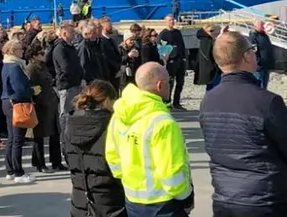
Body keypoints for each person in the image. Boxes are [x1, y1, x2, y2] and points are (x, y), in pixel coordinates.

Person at [200, 30, 287, 217]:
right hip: (265, 200)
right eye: (252, 49)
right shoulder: (268, 101)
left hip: (225, 198)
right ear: (247, 56)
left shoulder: (208, 101)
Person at [106, 63, 193, 216]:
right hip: (163, 203)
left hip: (132, 199)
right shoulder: (163, 122)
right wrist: (185, 197)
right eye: (169, 81)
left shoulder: (120, 114)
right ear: (160, 85)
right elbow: (172, 172)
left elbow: (112, 156)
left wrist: (129, 181)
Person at [65, 80, 125, 217]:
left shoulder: (69, 124)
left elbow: (69, 159)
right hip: (110, 200)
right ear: (108, 101)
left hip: (80, 200)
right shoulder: (112, 125)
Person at [25, 41, 63, 173]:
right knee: (39, 135)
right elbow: (30, 86)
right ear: (34, 56)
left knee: (55, 134)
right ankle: (40, 163)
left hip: (50, 102)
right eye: (41, 53)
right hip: (40, 104)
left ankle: (56, 162)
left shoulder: (43, 66)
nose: (44, 55)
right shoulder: (32, 68)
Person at [1, 39, 34, 183]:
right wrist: (32, 91)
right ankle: (18, 172)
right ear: (13, 51)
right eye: (20, 48)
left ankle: (10, 170)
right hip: (16, 103)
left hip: (8, 102)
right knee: (17, 139)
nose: (23, 51)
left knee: (12, 138)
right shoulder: (14, 66)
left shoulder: (7, 64)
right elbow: (19, 88)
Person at [52, 22, 84, 137]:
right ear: (64, 33)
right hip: (66, 85)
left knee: (74, 111)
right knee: (65, 113)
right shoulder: (60, 48)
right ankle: (63, 138)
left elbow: (77, 64)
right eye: (72, 32)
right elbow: (66, 67)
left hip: (74, 84)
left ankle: (71, 134)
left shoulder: (70, 47)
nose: (74, 35)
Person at [159, 15, 188, 110]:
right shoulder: (163, 34)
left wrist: (184, 57)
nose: (172, 21)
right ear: (166, 22)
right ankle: (168, 102)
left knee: (180, 82)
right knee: (170, 82)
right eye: (170, 20)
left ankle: (177, 102)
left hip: (180, 60)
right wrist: (166, 58)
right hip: (171, 61)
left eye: (173, 20)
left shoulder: (177, 32)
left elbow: (182, 45)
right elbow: (162, 48)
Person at [248, 21, 274, 89]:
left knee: (265, 85)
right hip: (259, 67)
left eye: (263, 24)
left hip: (266, 65)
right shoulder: (253, 37)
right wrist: (257, 63)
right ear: (255, 26)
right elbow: (253, 52)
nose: (263, 26)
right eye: (261, 25)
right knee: (258, 85)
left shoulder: (265, 36)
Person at [193, 25, 218, 90]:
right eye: (211, 31)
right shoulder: (206, 40)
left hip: (209, 68)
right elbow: (208, 55)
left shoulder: (205, 39)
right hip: (211, 68)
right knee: (213, 87)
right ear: (206, 31)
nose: (213, 33)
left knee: (212, 87)